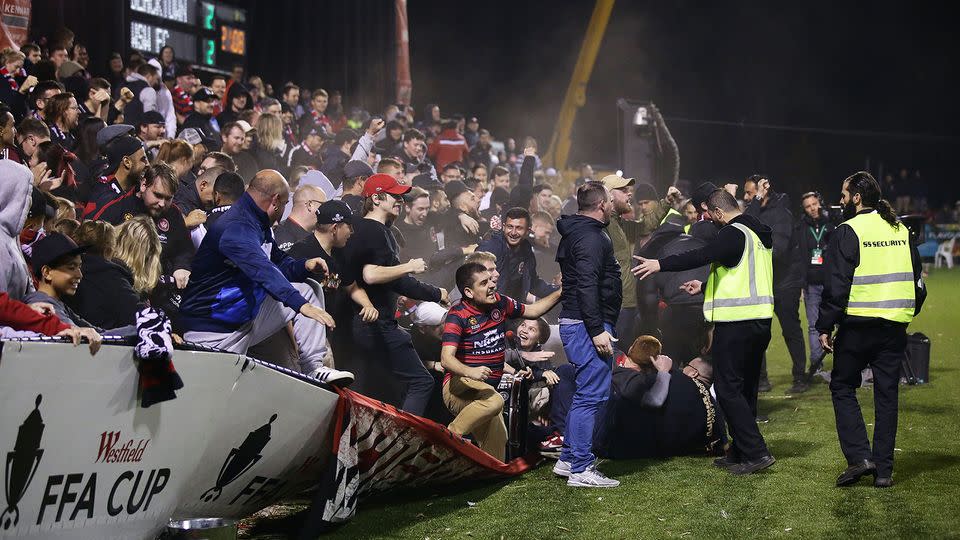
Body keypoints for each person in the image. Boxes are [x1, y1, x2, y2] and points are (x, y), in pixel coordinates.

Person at [632, 188, 775, 475]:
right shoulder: (757, 233)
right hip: (758, 320)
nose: (710, 221)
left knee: (726, 388)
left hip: (737, 322)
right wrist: (705, 287)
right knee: (745, 389)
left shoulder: (734, 233)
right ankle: (740, 450)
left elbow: (701, 255)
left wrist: (661, 264)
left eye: (710, 215)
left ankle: (756, 452)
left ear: (720, 212)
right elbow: (740, 273)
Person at [179, 169, 352, 385]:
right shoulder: (234, 226)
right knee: (212, 399)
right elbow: (262, 270)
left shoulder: (262, 224)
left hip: (244, 320)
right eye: (286, 203)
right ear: (275, 201)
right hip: (212, 330)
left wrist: (304, 266)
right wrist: (301, 305)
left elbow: (277, 261)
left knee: (309, 287)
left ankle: (313, 369)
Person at [816, 172, 925, 489]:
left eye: (844, 193)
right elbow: (916, 278)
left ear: (856, 198)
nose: (840, 199)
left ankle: (860, 457)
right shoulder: (900, 229)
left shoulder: (849, 230)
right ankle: (884, 471)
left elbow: (837, 285)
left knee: (842, 386)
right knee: (887, 396)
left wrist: (825, 325)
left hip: (859, 324)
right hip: (894, 326)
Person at [342, 173, 448, 415]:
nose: (400, 200)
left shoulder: (360, 228)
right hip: (376, 323)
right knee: (421, 382)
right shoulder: (375, 230)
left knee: (369, 389)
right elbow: (372, 275)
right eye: (395, 195)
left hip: (358, 323)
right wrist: (413, 270)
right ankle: (403, 441)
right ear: (376, 198)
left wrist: (432, 291)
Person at [440, 262, 561, 461]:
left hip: (485, 392)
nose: (492, 285)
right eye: (484, 283)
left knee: (498, 442)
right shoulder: (457, 315)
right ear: (469, 292)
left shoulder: (500, 303)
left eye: (491, 280)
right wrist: (471, 372)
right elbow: (446, 359)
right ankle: (447, 440)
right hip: (458, 387)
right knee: (495, 401)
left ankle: (489, 478)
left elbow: (533, 311)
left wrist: (560, 292)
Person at [552, 181, 622, 488]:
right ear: (602, 205)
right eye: (610, 200)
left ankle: (569, 459)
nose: (613, 205)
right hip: (586, 325)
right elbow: (587, 286)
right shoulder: (590, 237)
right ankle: (581, 468)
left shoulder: (580, 232)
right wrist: (596, 330)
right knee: (590, 396)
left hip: (581, 323)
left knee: (586, 394)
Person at [744, 175, 805, 393]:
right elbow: (744, 228)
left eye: (750, 193)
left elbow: (777, 251)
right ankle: (761, 380)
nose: (746, 197)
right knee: (759, 334)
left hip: (785, 283)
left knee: (790, 331)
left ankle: (800, 378)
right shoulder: (756, 212)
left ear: (763, 193)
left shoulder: (782, 214)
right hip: (764, 283)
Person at [66, 220, 142, 329]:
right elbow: (135, 314)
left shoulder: (63, 271)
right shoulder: (114, 278)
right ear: (108, 250)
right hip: (103, 342)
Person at [477, 207, 557, 303]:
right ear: (503, 227)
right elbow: (475, 283)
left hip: (513, 309)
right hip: (489, 309)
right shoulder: (491, 248)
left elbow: (533, 283)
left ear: (528, 231)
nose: (513, 233)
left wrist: (559, 291)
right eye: (510, 227)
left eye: (519, 228)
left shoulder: (526, 249)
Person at [796, 191, 835, 380]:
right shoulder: (802, 227)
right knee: (813, 327)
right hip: (811, 284)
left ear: (820, 202)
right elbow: (801, 257)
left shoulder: (831, 223)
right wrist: (801, 284)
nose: (812, 208)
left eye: (814, 204)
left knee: (838, 323)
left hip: (831, 283)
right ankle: (817, 366)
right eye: (808, 206)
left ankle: (846, 364)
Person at [275, 184, 326, 251]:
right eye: (324, 205)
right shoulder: (280, 235)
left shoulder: (312, 238)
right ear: (310, 205)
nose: (326, 211)